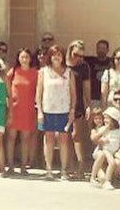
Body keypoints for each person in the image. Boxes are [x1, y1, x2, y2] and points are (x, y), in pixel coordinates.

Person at [36, 44, 76, 181]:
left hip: (64, 110)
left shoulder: (68, 72)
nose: (56, 57)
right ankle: (49, 170)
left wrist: (72, 111)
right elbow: (39, 93)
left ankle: (63, 170)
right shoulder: (43, 72)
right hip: (47, 110)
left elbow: (73, 94)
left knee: (64, 140)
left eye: (59, 55)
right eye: (53, 55)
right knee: (49, 140)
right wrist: (39, 111)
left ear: (62, 57)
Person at [5, 48, 37, 175]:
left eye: (26, 57)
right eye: (22, 57)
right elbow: (6, 88)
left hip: (28, 109)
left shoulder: (35, 73)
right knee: (11, 137)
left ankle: (24, 165)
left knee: (26, 138)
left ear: (30, 59)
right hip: (14, 109)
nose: (24, 59)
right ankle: (10, 165)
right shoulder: (13, 71)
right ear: (18, 58)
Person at [66, 40, 91, 178]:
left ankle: (81, 166)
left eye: (81, 56)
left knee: (76, 135)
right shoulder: (63, 65)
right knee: (65, 136)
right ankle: (68, 166)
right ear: (70, 51)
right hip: (63, 103)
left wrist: (88, 105)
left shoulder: (83, 66)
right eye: (76, 55)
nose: (78, 58)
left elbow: (86, 87)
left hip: (78, 103)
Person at [95, 106, 120, 190]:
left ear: (114, 120)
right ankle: (107, 181)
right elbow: (96, 139)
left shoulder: (119, 131)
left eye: (107, 118)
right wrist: (102, 139)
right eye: (104, 118)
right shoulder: (103, 129)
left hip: (116, 150)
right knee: (112, 163)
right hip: (106, 150)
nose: (105, 120)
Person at [86, 39, 111, 105]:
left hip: (107, 98)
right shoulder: (90, 61)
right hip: (93, 97)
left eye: (103, 48)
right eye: (99, 48)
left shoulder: (112, 62)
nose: (101, 50)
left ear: (107, 50)